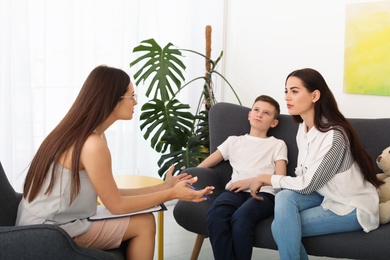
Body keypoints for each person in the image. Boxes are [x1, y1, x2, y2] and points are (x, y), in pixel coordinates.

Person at [15, 65, 214, 260]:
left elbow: (112, 194)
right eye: (131, 96)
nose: (135, 102)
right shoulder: (92, 144)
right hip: (47, 232)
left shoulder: (89, 135)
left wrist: (164, 187)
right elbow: (116, 205)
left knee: (142, 220)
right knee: (144, 224)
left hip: (49, 221)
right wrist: (171, 193)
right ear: (113, 100)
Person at [249, 68, 383, 260]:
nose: (288, 97)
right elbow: (306, 180)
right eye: (286, 91)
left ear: (315, 95)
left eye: (294, 91)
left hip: (351, 206)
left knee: (280, 226)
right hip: (325, 195)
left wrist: (266, 178)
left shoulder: (335, 136)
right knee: (284, 198)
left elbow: (309, 184)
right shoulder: (302, 129)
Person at [198, 95, 288, 260]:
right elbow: (204, 166)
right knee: (216, 215)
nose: (259, 114)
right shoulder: (233, 142)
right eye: (256, 110)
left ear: (274, 122)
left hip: (264, 193)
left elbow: (281, 177)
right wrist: (187, 177)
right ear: (249, 115)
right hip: (235, 190)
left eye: (266, 113)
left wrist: (254, 181)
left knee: (241, 219)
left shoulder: (278, 144)